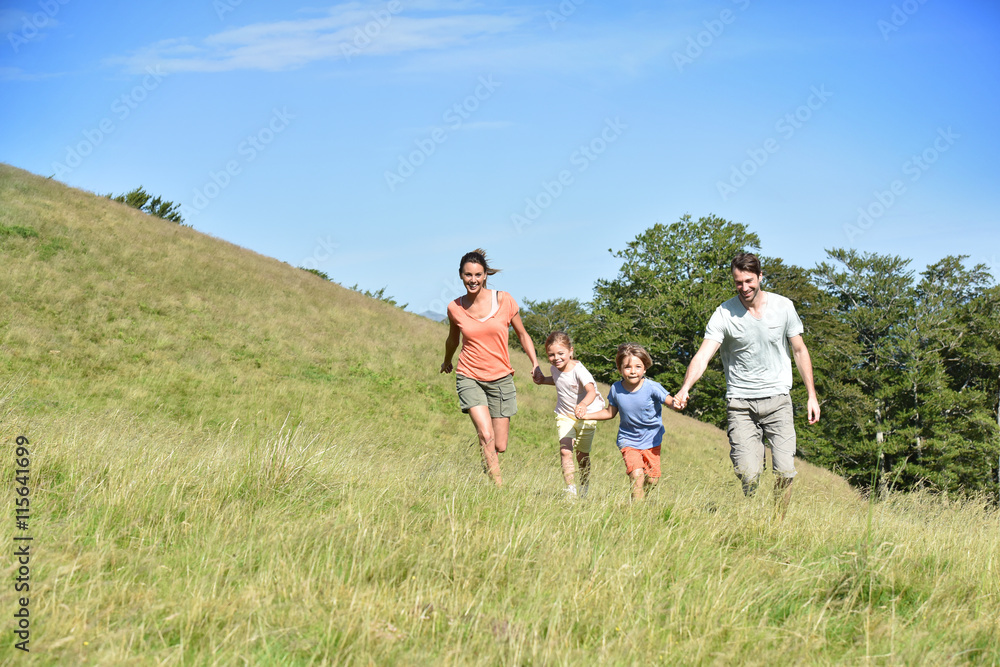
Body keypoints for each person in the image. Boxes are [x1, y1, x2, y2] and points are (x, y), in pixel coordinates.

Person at [673, 252, 820, 518]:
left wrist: (812, 395)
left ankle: (778, 522)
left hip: (778, 400)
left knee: (786, 470)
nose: (744, 288)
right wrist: (685, 388)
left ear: (761, 277)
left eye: (749, 281)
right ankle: (750, 516)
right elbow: (703, 356)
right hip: (740, 404)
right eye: (738, 282)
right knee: (748, 474)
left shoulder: (783, 306)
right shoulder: (724, 313)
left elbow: (799, 351)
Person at [441, 249, 543, 487]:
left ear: (485, 275)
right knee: (485, 435)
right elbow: (452, 339)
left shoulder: (505, 300)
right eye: (468, 275)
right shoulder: (454, 308)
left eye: (478, 274)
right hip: (469, 375)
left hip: (501, 377)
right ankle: (498, 489)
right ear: (460, 276)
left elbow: (522, 333)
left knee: (499, 444)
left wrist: (535, 363)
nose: (473, 280)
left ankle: (488, 462)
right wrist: (447, 360)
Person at [588, 343, 675, 501]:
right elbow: (609, 412)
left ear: (645, 368)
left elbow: (671, 402)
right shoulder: (616, 389)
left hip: (652, 440)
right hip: (628, 440)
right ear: (620, 369)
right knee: (637, 475)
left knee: (652, 480)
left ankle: (644, 497)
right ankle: (636, 513)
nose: (633, 371)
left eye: (638, 366)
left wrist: (679, 403)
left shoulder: (652, 387)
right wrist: (585, 415)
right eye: (627, 367)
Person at [535, 331, 605, 499]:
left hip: (586, 416)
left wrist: (582, 405)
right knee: (566, 451)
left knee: (582, 456)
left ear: (571, 351)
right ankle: (570, 490)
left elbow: (591, 391)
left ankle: (584, 487)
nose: (556, 358)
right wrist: (543, 380)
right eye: (551, 355)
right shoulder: (555, 368)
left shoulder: (580, 371)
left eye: (561, 353)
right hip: (565, 415)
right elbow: (559, 379)